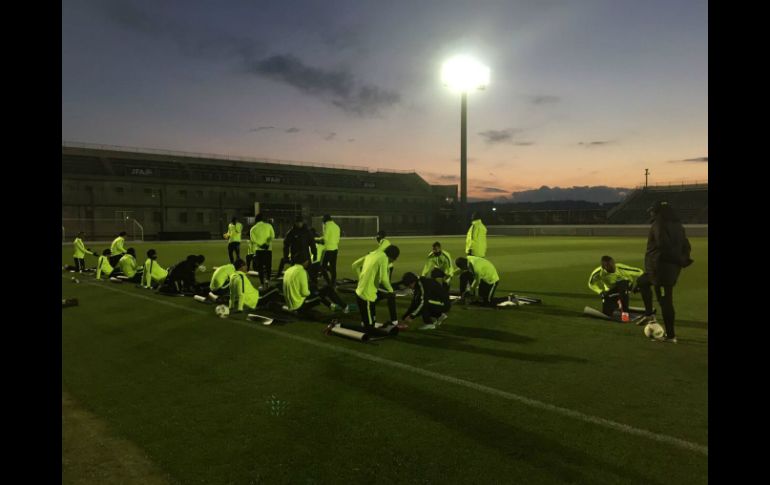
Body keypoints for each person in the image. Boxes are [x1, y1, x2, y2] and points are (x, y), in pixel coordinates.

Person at [637, 201, 694, 343]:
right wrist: (682, 260)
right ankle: (649, 315)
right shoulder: (678, 226)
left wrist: (677, 260)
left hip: (661, 270)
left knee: (665, 301)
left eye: (652, 211)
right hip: (666, 269)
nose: (650, 213)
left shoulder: (658, 224)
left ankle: (670, 336)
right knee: (641, 282)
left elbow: (663, 245)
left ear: (657, 212)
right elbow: (686, 245)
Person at [283, 257, 352, 317]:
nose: (308, 262)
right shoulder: (302, 271)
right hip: (300, 306)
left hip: (290, 304)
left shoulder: (288, 270)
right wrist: (314, 291)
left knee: (316, 289)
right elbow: (305, 293)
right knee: (327, 290)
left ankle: (330, 305)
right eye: (307, 261)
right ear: (304, 261)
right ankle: (345, 307)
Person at [355, 245, 400, 331]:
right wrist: (391, 291)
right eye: (393, 260)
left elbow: (355, 265)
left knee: (369, 316)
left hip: (360, 292)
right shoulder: (384, 258)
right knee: (369, 329)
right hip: (366, 296)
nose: (391, 262)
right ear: (392, 257)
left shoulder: (372, 254)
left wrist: (360, 277)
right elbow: (384, 279)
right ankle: (341, 326)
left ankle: (367, 322)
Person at [250, 213, 275, 288]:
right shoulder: (269, 226)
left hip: (259, 250)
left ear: (256, 220)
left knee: (260, 268)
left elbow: (253, 240)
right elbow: (272, 236)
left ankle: (262, 284)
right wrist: (266, 244)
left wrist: (261, 245)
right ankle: (267, 281)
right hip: (268, 250)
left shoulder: (253, 229)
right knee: (268, 266)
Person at [319, 214, 340, 286]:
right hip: (335, 249)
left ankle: (328, 283)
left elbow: (325, 239)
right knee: (333, 267)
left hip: (328, 249)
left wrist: (316, 240)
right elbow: (337, 240)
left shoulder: (327, 226)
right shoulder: (337, 226)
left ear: (325, 220)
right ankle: (333, 283)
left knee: (322, 268)